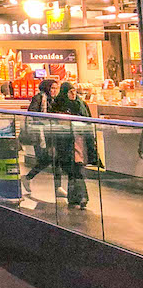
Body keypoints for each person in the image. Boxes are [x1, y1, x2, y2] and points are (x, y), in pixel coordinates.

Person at [54, 80, 99, 209]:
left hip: (79, 141)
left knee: (77, 169)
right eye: (70, 92)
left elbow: (88, 120)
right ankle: (78, 197)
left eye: (74, 91)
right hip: (66, 141)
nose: (73, 94)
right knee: (73, 170)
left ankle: (78, 197)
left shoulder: (80, 104)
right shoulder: (59, 105)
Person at [22, 77, 57, 191]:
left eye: (56, 88)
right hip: (39, 134)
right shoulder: (39, 98)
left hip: (50, 133)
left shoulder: (53, 100)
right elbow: (32, 114)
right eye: (52, 88)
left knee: (55, 159)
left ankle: (58, 187)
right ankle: (28, 177)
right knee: (45, 159)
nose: (55, 90)